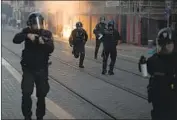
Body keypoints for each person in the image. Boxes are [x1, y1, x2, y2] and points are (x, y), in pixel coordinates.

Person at [12, 12, 54, 120]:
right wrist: (27, 35)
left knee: (41, 95)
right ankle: (27, 116)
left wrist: (43, 42)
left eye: (39, 23)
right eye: (35, 24)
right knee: (26, 93)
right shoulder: (27, 31)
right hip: (28, 69)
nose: (37, 26)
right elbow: (15, 39)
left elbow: (51, 48)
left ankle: (40, 116)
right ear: (30, 24)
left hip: (42, 69)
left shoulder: (47, 33)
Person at [146, 27, 177, 120]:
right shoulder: (154, 60)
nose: (164, 47)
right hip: (158, 101)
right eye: (161, 44)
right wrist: (143, 64)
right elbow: (147, 71)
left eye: (168, 44)